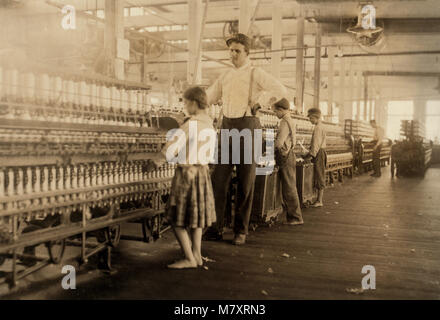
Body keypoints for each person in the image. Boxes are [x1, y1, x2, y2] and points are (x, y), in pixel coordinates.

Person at [204, 33, 287, 245]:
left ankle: (241, 230)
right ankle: (215, 227)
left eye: (237, 50)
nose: (233, 54)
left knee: (245, 181)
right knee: (218, 180)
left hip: (248, 127)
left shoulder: (255, 73)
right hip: (226, 128)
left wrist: (261, 101)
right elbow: (209, 97)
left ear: (247, 52)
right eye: (231, 50)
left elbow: (280, 90)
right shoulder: (225, 76)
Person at [148, 86, 216, 269]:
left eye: (186, 103)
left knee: (177, 219)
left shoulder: (190, 124)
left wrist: (155, 162)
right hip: (202, 172)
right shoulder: (210, 124)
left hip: (186, 174)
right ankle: (197, 255)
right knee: (196, 219)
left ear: (194, 103)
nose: (185, 107)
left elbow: (170, 148)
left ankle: (189, 258)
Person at [272, 98, 303, 225]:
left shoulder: (285, 122)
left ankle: (296, 217)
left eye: (275, 112)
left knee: (289, 187)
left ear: (280, 110)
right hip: (289, 155)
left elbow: (279, 143)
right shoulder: (291, 120)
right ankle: (291, 215)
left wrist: (267, 147)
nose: (275, 114)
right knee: (288, 185)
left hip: (285, 156)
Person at [304, 108, 327, 207]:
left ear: (315, 117)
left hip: (318, 154)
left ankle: (319, 200)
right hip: (320, 152)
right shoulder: (320, 126)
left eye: (310, 118)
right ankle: (317, 199)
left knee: (319, 175)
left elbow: (316, 145)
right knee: (318, 175)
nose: (310, 120)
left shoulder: (318, 128)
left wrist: (310, 155)